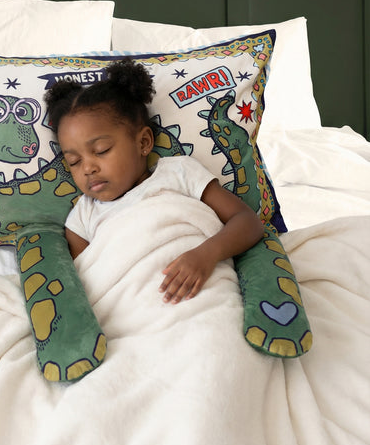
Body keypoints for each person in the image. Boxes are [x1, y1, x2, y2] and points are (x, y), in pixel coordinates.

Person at [44, 59, 263, 304]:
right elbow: (84, 287)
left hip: (202, 294)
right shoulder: (82, 216)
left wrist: (206, 254)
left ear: (143, 142)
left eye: (101, 150)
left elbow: (248, 222)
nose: (87, 168)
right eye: (74, 161)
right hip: (132, 309)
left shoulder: (179, 172)